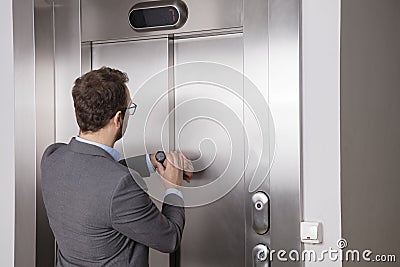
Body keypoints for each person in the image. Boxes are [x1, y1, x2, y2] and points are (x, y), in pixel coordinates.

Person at [41, 67, 192, 266]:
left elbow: (96, 176)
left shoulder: (53, 156)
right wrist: (173, 188)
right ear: (118, 118)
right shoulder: (122, 186)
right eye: (130, 109)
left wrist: (150, 161)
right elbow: (169, 239)